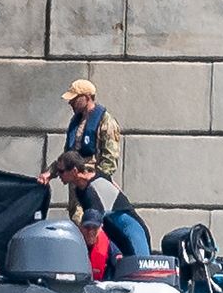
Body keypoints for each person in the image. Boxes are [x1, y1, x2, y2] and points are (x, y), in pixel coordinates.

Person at [38, 79, 122, 223]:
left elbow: (110, 162)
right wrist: (50, 172)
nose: (70, 103)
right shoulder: (75, 122)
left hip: (92, 187)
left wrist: (93, 183)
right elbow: (67, 157)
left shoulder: (107, 123)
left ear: (87, 97)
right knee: (77, 221)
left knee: (89, 224)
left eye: (74, 99)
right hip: (75, 185)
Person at [55, 150, 151, 259]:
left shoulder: (95, 185)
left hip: (132, 232)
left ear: (74, 171)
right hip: (115, 235)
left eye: (61, 171)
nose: (58, 175)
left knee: (142, 270)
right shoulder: (81, 189)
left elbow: (95, 225)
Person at [80, 209, 121, 281]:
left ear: (101, 228)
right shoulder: (75, 244)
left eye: (94, 228)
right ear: (81, 227)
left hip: (101, 288)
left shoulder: (110, 247)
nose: (90, 231)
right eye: (87, 227)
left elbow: (121, 263)